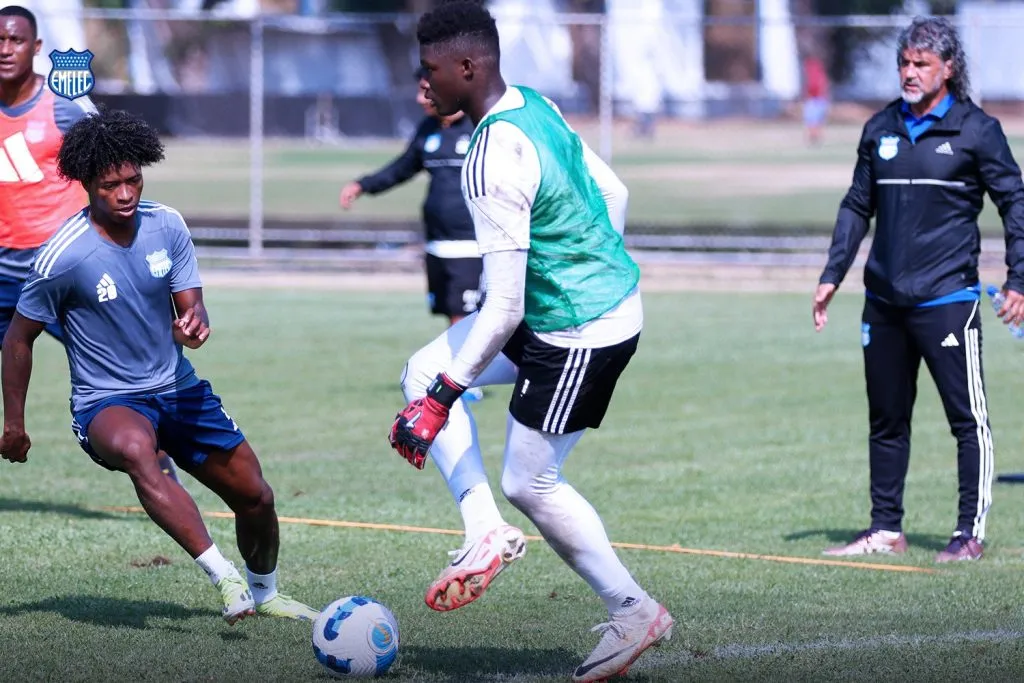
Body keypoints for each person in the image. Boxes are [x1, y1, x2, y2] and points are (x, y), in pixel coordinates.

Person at [387, 3, 673, 681]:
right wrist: (594, 254)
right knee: (420, 367)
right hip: (568, 308)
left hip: (582, 329)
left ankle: (635, 610)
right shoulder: (533, 104)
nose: (421, 85)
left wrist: (444, 399)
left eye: (430, 72)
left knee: (529, 477)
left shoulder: (490, 156)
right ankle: (483, 529)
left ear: (468, 66)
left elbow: (505, 304)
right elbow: (615, 189)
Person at [0, 108, 319, 624]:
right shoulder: (63, 255)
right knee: (136, 450)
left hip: (177, 387)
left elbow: (191, 305)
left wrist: (194, 323)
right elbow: (18, 337)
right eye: (110, 185)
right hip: (107, 401)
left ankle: (266, 593)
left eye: (133, 180)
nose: (125, 194)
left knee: (256, 496)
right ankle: (225, 577)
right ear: (86, 184)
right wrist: (14, 424)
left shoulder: (166, 224)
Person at [813, 16, 1024, 563]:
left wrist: (1019, 280)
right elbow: (858, 204)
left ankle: (967, 535)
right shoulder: (879, 127)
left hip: (948, 300)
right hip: (883, 301)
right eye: (904, 62)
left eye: (920, 64)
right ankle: (885, 529)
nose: (908, 72)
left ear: (947, 69)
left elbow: (1017, 206)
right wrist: (832, 273)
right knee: (886, 419)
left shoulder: (977, 130)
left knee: (966, 420)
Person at [0, 5, 183, 480]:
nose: (5, 49)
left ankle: (163, 458)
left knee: (132, 373)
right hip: (2, 268)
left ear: (35, 48)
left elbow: (113, 163)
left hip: (66, 269)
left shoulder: (62, 103)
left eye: (15, 40)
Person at [340, 68, 482, 328]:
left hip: (473, 245)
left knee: (466, 322)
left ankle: (465, 370)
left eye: (425, 91)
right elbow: (402, 168)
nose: (420, 99)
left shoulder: (479, 127)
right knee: (451, 316)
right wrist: (364, 185)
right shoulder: (428, 129)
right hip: (437, 242)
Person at [802, 53, 830, 146]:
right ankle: (814, 137)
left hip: (816, 99)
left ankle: (815, 137)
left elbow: (815, 86)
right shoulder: (817, 70)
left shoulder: (813, 70)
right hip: (817, 99)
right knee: (814, 120)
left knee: (813, 120)